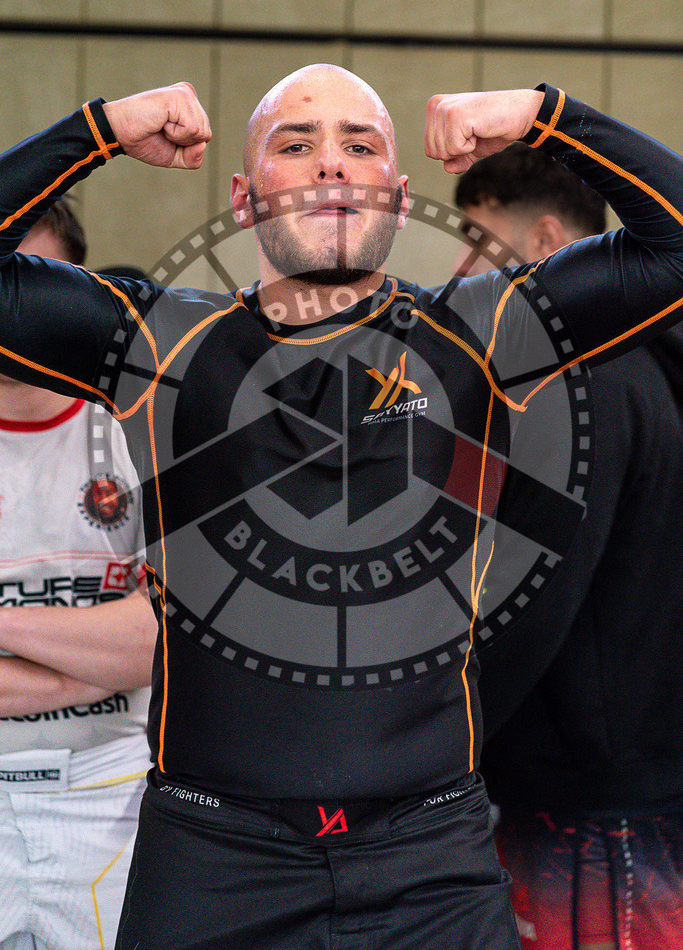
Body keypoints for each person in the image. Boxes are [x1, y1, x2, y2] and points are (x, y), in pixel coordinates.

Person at [0, 67, 680, 950]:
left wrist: (543, 116)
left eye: (359, 145)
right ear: (243, 199)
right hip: (215, 862)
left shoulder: (481, 331)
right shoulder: (159, 341)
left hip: (430, 861)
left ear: (395, 197)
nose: (329, 163)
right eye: (296, 145)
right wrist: (98, 129)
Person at [453, 145, 683, 950]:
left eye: (476, 241)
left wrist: (439, 740)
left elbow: (532, 596)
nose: (460, 267)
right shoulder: (641, 359)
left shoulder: (583, 378)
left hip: (592, 804)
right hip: (630, 777)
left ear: (546, 241)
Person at [0, 200, 156, 950]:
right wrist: (94, 661)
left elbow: (165, 641)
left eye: (28, 284)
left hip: (115, 791)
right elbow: (131, 647)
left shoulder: (143, 425)